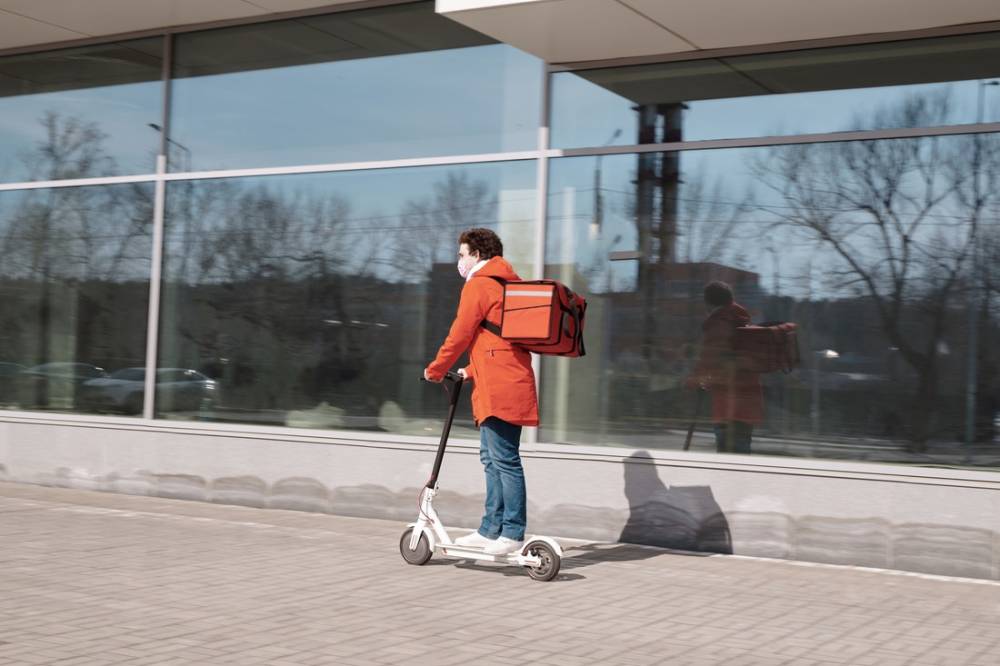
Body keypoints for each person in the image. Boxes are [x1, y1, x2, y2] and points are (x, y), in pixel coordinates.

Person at [424, 228, 538, 556]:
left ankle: (512, 532)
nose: (458, 261)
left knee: (504, 460)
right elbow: (502, 341)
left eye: (461, 255)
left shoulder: (479, 284)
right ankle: (491, 529)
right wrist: (471, 370)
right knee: (492, 458)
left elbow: (460, 333)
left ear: (477, 254)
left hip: (501, 387)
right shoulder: (506, 283)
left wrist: (435, 368)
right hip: (503, 379)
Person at [686, 281, 763, 454]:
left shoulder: (720, 323)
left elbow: (708, 359)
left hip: (729, 407)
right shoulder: (742, 321)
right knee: (741, 460)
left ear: (708, 303)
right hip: (748, 407)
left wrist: (692, 382)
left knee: (729, 464)